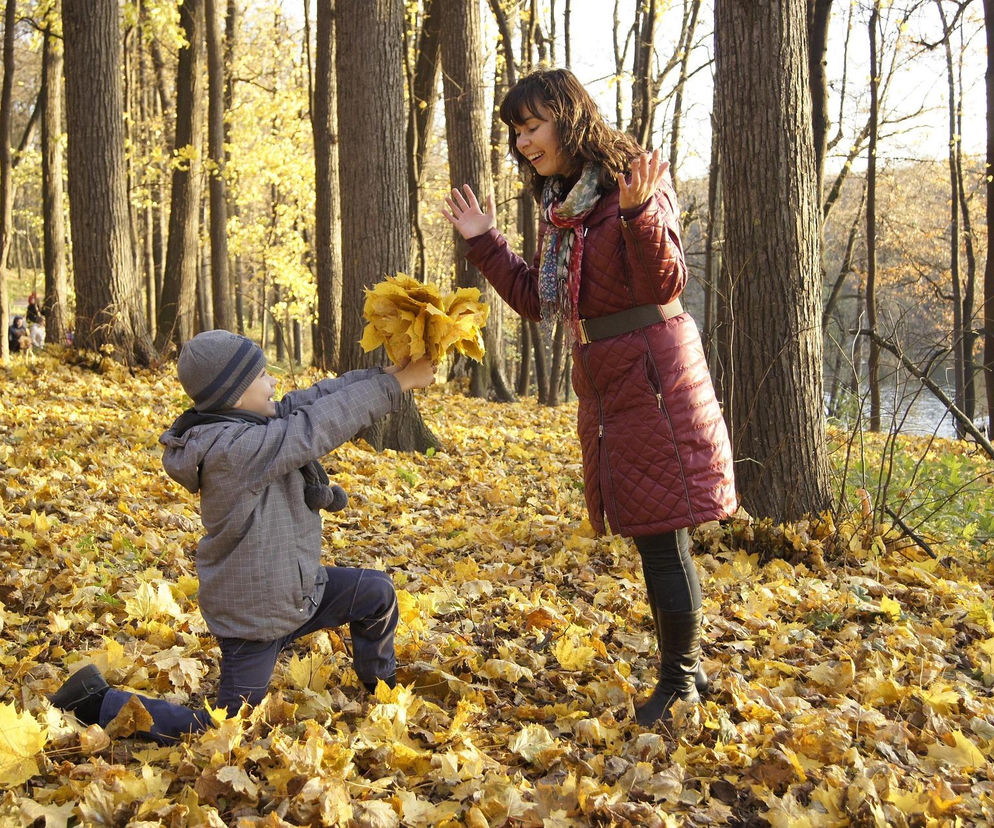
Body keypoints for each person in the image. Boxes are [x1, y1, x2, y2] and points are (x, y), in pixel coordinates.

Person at [442, 68, 737, 726]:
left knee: (662, 537)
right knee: (653, 535)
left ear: (568, 118)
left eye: (532, 126)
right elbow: (537, 302)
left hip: (654, 377)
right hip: (609, 381)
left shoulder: (631, 183)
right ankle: (686, 667)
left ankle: (681, 682)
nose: (522, 142)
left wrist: (637, 215)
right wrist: (484, 242)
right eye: (516, 131)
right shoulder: (564, 205)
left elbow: (665, 280)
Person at [50, 330, 436, 743]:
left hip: (295, 591)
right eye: (263, 376)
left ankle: (382, 688)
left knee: (377, 593)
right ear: (234, 394)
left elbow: (308, 402)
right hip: (254, 617)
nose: (274, 384)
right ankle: (97, 701)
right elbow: (316, 426)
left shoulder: (244, 424)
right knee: (226, 729)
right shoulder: (235, 450)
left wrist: (381, 373)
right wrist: (396, 385)